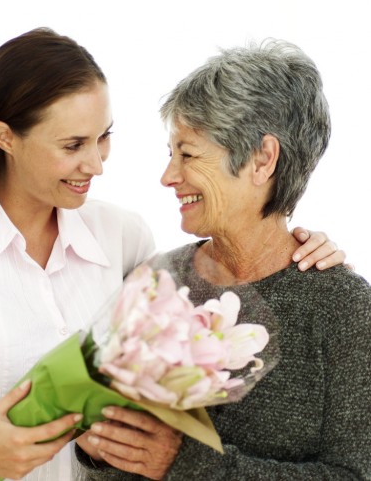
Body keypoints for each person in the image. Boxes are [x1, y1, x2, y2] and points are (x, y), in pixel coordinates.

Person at [0, 28, 346, 481]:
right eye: (73, 145)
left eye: (104, 137)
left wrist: (296, 248)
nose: (96, 164)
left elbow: (189, 316)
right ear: (5, 137)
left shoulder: (121, 237)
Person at [74, 40, 371, 479]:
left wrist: (187, 464)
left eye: (188, 154)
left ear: (262, 159)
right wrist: (99, 445)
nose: (168, 176)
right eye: (170, 154)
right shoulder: (158, 281)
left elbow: (354, 474)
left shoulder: (342, 307)